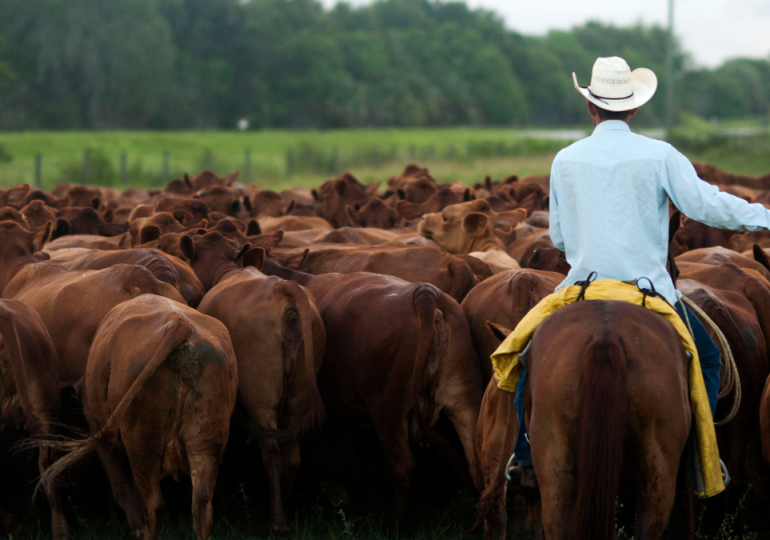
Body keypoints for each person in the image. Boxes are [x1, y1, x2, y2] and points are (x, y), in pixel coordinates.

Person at [508, 56, 770, 486]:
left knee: (523, 360)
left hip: (582, 290)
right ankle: (689, 462)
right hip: (650, 292)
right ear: (633, 109)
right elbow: (706, 206)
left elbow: (558, 237)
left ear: (591, 107)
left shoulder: (565, 159)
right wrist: (765, 216)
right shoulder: (659, 155)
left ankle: (526, 458)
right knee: (705, 358)